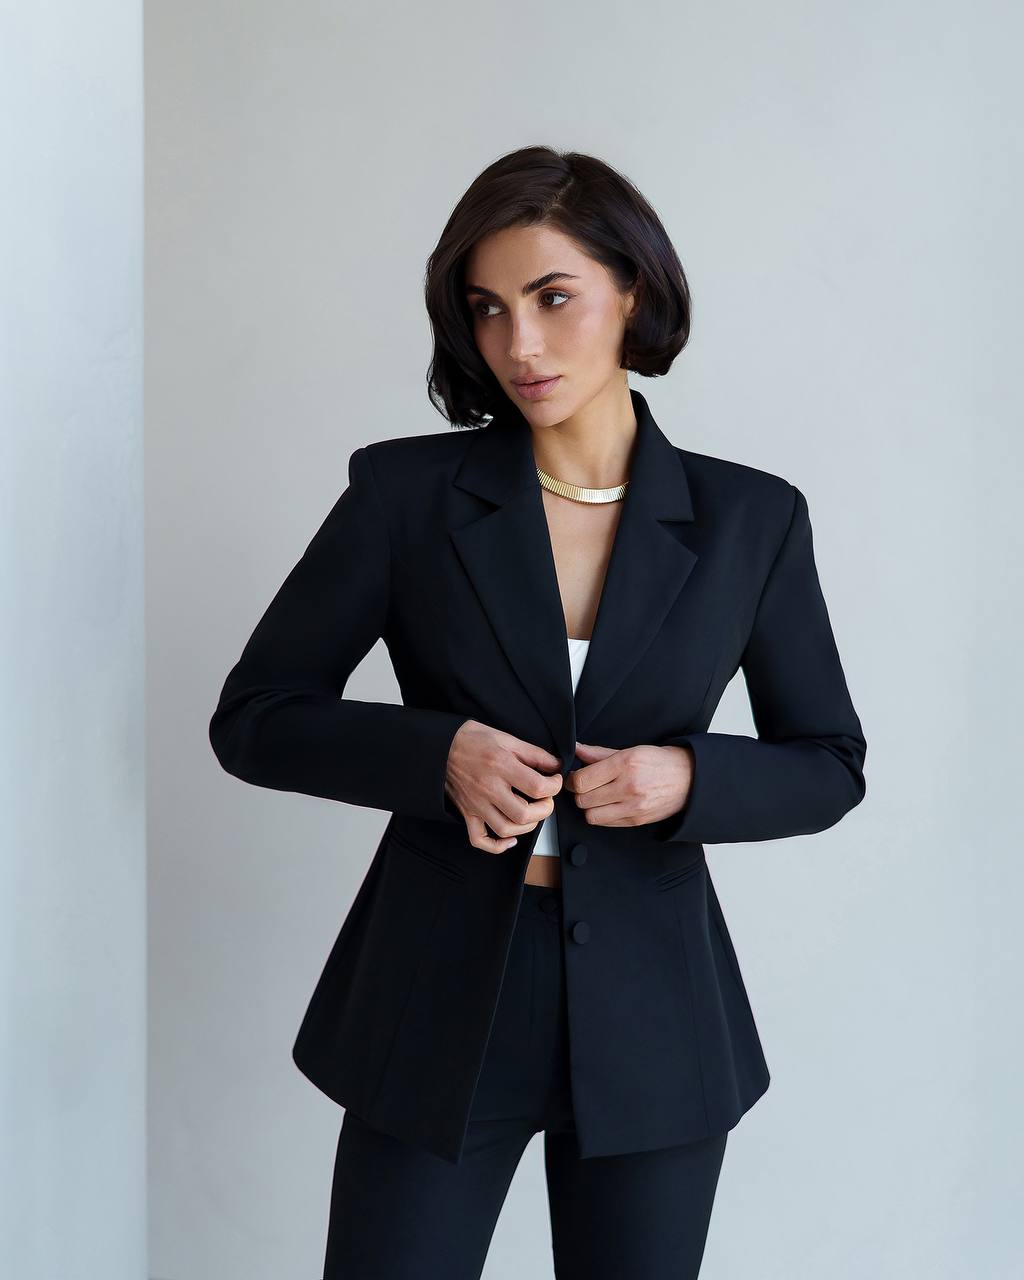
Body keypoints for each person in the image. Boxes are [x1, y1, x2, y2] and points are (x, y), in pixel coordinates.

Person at [209, 145, 867, 1279]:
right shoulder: (404, 496)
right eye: (488, 308)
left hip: (655, 1013)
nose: (519, 343)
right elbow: (256, 715)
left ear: (633, 294)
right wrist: (438, 754)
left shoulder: (751, 519)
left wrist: (690, 777)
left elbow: (828, 760)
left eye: (553, 297)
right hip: (435, 998)